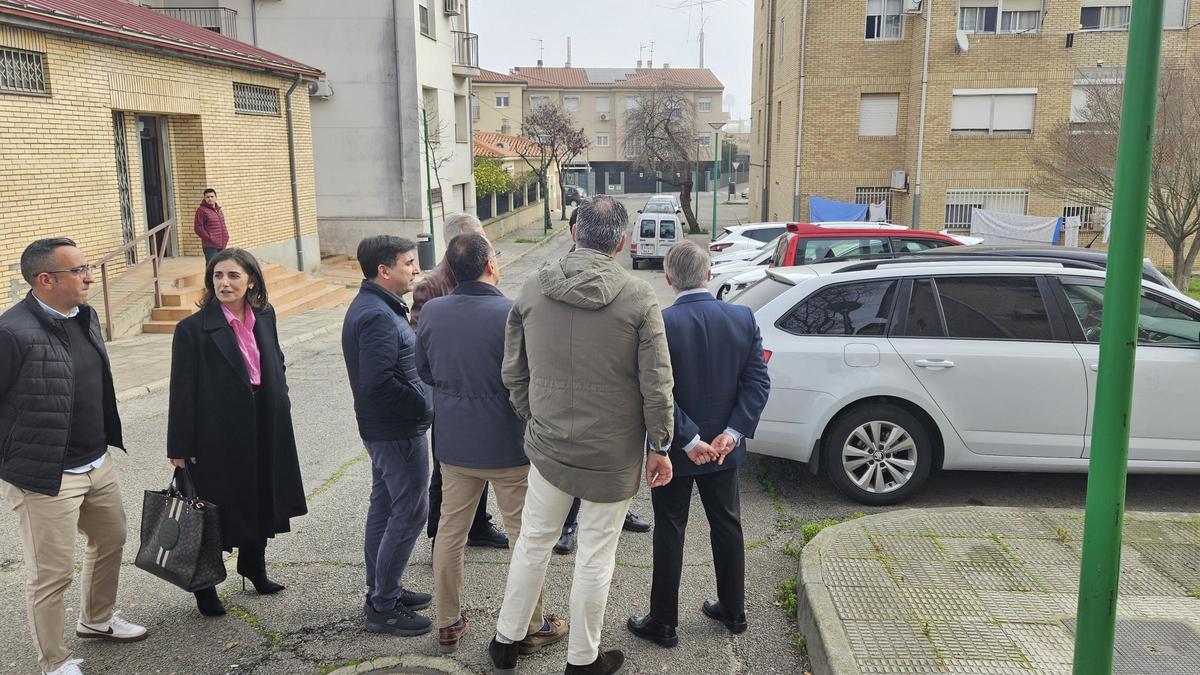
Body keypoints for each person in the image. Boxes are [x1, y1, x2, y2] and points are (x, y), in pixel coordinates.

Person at [489, 195, 675, 675]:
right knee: (595, 554)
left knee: (533, 542)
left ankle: (506, 641)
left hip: (549, 444)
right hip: (613, 453)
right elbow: (657, 382)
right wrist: (660, 444)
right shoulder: (639, 297)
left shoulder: (533, 289)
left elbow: (513, 370)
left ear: (574, 233)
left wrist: (533, 415)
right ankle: (582, 659)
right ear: (621, 242)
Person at [415, 233, 567, 655]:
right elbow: (531, 374)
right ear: (490, 265)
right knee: (523, 534)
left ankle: (447, 620)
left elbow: (423, 369)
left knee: (451, 531)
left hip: (454, 441)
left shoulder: (433, 311)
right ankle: (531, 622)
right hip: (506, 440)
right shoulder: (511, 312)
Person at [0, 238, 146, 675]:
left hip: (96, 461)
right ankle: (54, 662)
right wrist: (16, 459)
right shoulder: (11, 332)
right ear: (46, 280)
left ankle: (97, 619)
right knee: (51, 574)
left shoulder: (85, 316)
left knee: (111, 539)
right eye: (79, 270)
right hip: (46, 475)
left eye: (87, 267)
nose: (89, 277)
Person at [626, 240, 770, 648]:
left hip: (674, 450)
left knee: (670, 529)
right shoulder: (742, 317)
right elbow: (757, 382)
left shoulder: (660, 323)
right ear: (709, 274)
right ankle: (734, 610)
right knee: (727, 524)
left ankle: (663, 622)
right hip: (724, 449)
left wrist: (688, 440)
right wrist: (732, 432)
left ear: (669, 279)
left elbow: (656, 392)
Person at [167, 248, 308, 618]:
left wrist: (281, 397)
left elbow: (275, 360)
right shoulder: (193, 329)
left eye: (233, 275)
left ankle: (253, 565)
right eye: (218, 276)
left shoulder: (265, 315)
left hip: (265, 420)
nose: (224, 283)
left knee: (261, 495)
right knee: (213, 508)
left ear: (251, 281)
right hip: (218, 431)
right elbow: (181, 391)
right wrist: (180, 446)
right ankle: (205, 585)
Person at [341, 235, 434, 637]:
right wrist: (422, 406)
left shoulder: (377, 305)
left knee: (384, 505)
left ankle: (382, 587)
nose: (416, 269)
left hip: (387, 429)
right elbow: (377, 382)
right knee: (410, 511)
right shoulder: (377, 315)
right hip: (396, 431)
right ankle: (384, 605)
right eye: (409, 263)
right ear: (384, 271)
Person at [553, 205, 650, 556]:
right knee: (573, 472)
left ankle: (620, 513)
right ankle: (567, 526)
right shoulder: (556, 276)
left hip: (610, 400)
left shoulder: (624, 283)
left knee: (609, 472)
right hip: (570, 398)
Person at [411, 213, 507, 550]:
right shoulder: (432, 287)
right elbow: (423, 352)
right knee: (447, 475)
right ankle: (439, 535)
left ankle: (477, 525)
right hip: (451, 398)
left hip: (480, 395)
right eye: (480, 235)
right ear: (460, 240)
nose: (487, 241)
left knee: (479, 466)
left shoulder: (485, 283)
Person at [194, 188, 229, 263]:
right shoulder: (201, 210)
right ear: (204, 198)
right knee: (211, 265)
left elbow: (223, 225)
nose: (210, 199)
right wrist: (209, 238)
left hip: (222, 244)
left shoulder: (218, 210)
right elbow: (198, 228)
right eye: (207, 197)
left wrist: (226, 236)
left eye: (212, 196)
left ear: (216, 197)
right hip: (210, 246)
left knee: (221, 266)